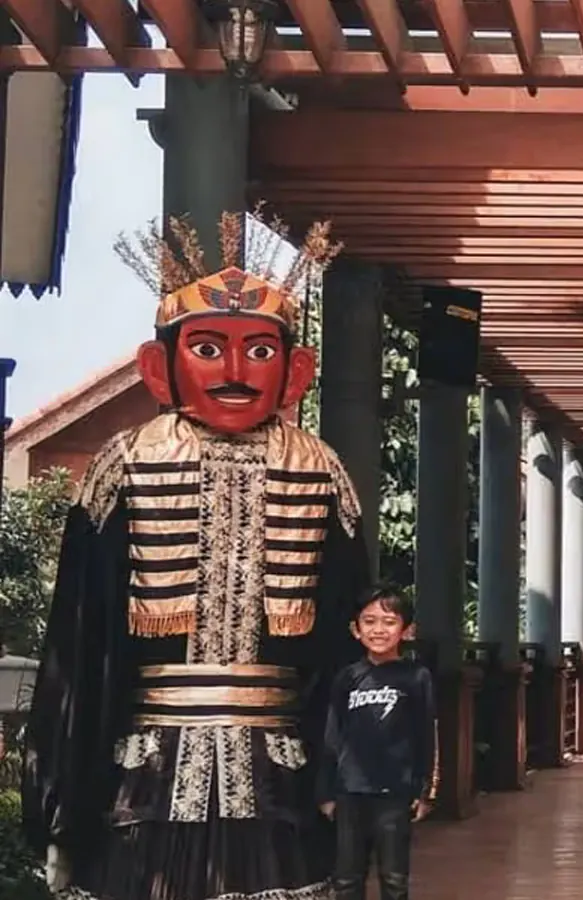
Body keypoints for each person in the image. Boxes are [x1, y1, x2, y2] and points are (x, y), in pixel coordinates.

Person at [22, 212, 365, 900]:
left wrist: (349, 775)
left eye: (261, 353)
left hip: (279, 770)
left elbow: (344, 641)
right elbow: (80, 644)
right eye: (208, 349)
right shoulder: (124, 464)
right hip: (145, 768)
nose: (236, 372)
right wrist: (60, 806)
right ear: (160, 367)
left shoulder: (321, 469)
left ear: (296, 372)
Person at [318, 585, 438, 900]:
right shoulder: (347, 677)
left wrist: (424, 790)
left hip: (395, 793)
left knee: (394, 879)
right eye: (369, 621)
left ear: (407, 630)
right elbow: (333, 735)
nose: (378, 630)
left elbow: (426, 734)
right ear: (355, 630)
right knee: (347, 878)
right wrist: (326, 792)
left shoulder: (417, 677)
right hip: (350, 792)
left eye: (389, 621)